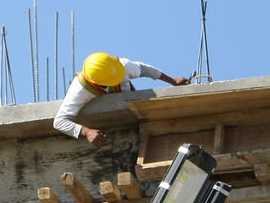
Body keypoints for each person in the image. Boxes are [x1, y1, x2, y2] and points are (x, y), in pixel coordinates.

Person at [54, 52, 190, 147]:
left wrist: (172, 81)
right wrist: (86, 131)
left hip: (137, 110)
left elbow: (144, 69)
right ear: (98, 82)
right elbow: (59, 121)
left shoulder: (120, 66)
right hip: (117, 126)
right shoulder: (80, 89)